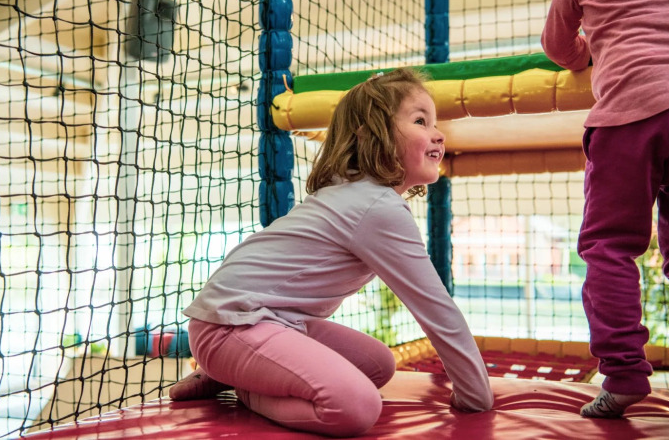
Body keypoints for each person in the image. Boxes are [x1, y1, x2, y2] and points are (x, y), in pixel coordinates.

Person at [169, 68, 493, 436]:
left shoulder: (358, 194)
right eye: (421, 120)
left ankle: (229, 373)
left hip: (267, 320)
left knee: (377, 364)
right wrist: (475, 397)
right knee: (354, 407)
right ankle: (243, 384)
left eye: (435, 123)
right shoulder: (374, 206)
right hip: (230, 326)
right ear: (373, 135)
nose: (438, 134)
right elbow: (436, 309)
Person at [541, 0, 669, 419]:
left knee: (609, 247)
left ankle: (623, 374)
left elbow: (558, 46)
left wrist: (586, 54)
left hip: (629, 114)